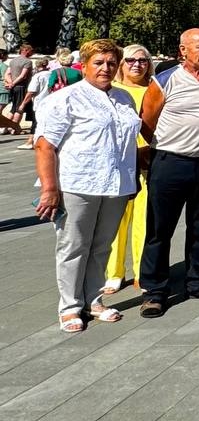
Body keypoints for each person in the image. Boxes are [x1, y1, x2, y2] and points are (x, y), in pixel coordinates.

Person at [33, 39, 141, 332]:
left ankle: (93, 301)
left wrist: (132, 177)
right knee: (73, 246)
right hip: (77, 182)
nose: (105, 68)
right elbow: (44, 146)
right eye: (98, 62)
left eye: (111, 62)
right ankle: (69, 307)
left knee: (101, 245)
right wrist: (49, 189)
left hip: (116, 183)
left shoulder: (123, 98)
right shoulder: (66, 99)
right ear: (85, 65)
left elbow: (128, 141)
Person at [138, 28, 199, 317]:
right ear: (183, 51)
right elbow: (147, 121)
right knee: (159, 229)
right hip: (171, 163)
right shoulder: (165, 80)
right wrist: (166, 147)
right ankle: (155, 290)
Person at [102, 44, 154, 295]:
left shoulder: (155, 89)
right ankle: (114, 272)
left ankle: (141, 271)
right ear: (121, 64)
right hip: (118, 163)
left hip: (147, 161)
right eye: (131, 60)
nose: (137, 65)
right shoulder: (111, 89)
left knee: (144, 220)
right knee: (116, 220)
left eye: (142, 60)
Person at [4, 42, 34, 127]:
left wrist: (10, 83)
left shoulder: (13, 61)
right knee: (20, 108)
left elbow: (7, 74)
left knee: (13, 108)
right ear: (25, 50)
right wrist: (12, 83)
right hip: (22, 87)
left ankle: (6, 127)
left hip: (13, 88)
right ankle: (14, 128)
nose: (32, 53)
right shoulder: (28, 61)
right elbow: (22, 76)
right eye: (31, 51)